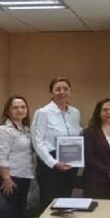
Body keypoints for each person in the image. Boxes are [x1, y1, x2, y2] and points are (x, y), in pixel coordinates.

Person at [31, 77, 82, 211]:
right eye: (57, 89)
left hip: (71, 161)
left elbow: (78, 134)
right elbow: (37, 142)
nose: (62, 92)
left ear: (70, 91)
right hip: (50, 164)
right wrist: (53, 163)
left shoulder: (75, 112)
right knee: (50, 204)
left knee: (66, 202)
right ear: (51, 92)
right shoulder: (42, 112)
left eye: (65, 89)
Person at [0, 95, 34, 218]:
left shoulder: (26, 129)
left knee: (19, 212)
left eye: (23, 107)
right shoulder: (3, 130)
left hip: (24, 175)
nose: (20, 110)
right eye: (15, 107)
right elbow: (0, 156)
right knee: (8, 214)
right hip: (10, 178)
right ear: (8, 111)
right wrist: (6, 178)